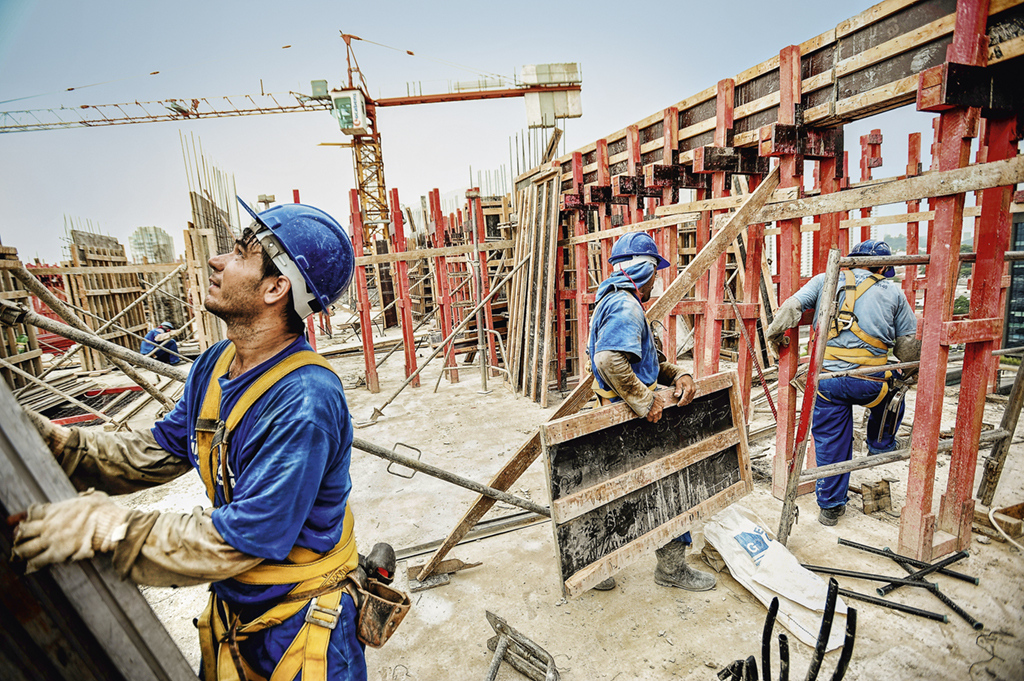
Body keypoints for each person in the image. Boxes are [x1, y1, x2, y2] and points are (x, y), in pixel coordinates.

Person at [13, 199, 367, 680]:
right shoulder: (218, 363)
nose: (217, 260)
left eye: (241, 252)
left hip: (302, 630)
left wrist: (111, 530)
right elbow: (157, 452)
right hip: (236, 613)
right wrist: (56, 444)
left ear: (275, 287)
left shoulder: (303, 401)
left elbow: (248, 537)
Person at [586, 232, 716, 593]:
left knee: (612, 491)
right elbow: (609, 360)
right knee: (671, 488)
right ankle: (672, 569)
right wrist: (646, 401)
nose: (657, 278)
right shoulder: (626, 305)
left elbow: (647, 362)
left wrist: (680, 374)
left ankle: (598, 570)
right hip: (628, 418)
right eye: (655, 271)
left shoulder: (614, 301)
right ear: (641, 269)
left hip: (614, 412)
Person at [765, 239, 921, 526]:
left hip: (827, 382)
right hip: (872, 384)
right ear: (883, 266)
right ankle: (880, 443)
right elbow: (907, 348)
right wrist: (912, 373)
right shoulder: (893, 292)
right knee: (896, 390)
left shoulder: (825, 279)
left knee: (830, 440)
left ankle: (831, 507)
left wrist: (774, 338)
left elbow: (791, 307)